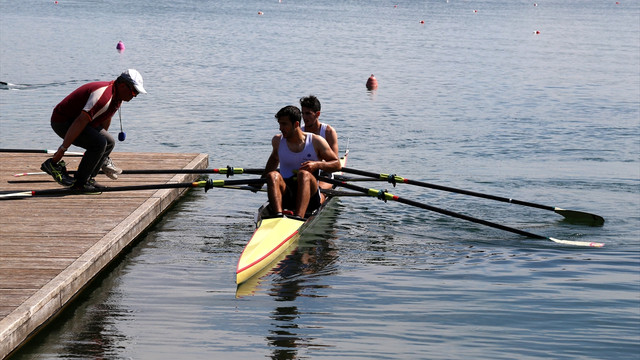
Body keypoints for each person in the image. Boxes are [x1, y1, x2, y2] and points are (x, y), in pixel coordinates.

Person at [41, 69, 147, 191]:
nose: (134, 96)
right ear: (123, 85)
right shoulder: (103, 96)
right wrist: (62, 150)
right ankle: (79, 183)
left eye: (137, 93)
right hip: (62, 121)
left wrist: (102, 151)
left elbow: (106, 119)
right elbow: (80, 121)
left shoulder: (117, 97)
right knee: (99, 143)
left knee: (109, 142)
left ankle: (88, 178)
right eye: (134, 92)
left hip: (81, 121)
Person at [263, 105, 341, 219]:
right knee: (272, 175)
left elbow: (337, 164)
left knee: (303, 174)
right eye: (279, 124)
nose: (280, 128)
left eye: (284, 124)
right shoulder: (277, 141)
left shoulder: (315, 141)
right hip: (287, 193)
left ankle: (299, 217)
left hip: (311, 196)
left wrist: (317, 164)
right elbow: (274, 159)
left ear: (296, 124)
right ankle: (278, 216)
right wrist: (260, 181)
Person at [299, 95, 340, 191]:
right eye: (303, 113)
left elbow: (334, 163)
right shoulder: (299, 131)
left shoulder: (329, 132)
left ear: (317, 114)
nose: (304, 117)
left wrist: (316, 165)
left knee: (317, 190)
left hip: (324, 173)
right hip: (302, 172)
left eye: (308, 114)